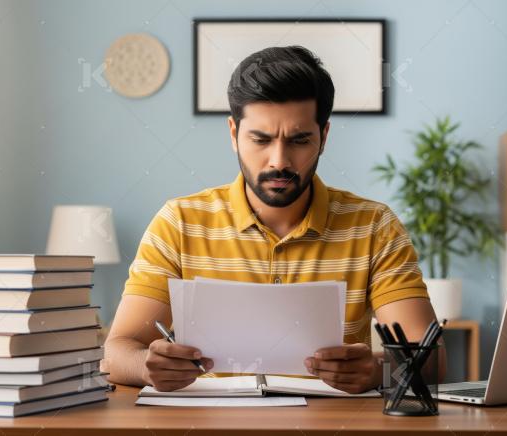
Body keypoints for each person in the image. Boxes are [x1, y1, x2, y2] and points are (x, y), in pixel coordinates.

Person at [103, 45, 445, 394]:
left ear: (323, 138)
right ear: (234, 134)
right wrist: (147, 367)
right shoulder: (178, 222)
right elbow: (116, 351)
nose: (279, 161)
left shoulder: (375, 226)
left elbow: (431, 360)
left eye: (299, 140)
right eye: (261, 139)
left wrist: (376, 370)